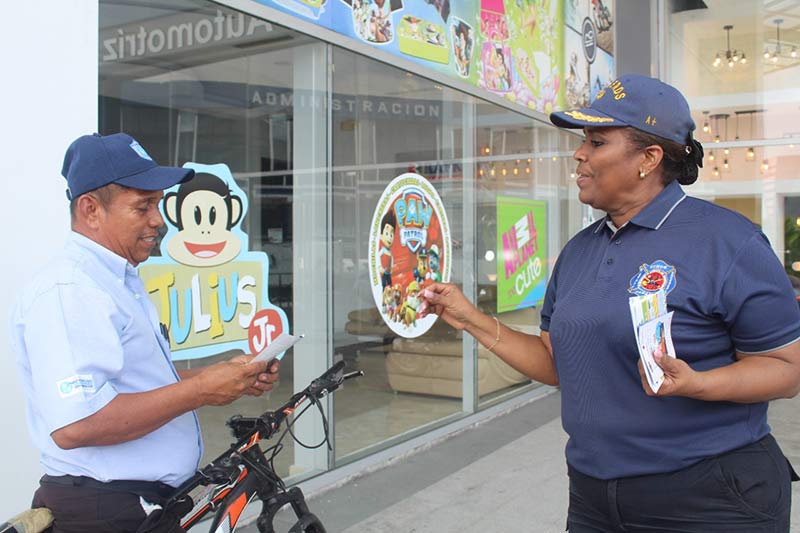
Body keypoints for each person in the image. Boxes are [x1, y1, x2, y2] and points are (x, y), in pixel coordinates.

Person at [418, 74, 800, 532]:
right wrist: (470, 319)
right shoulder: (579, 251)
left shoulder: (728, 241)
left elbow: (786, 369)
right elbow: (558, 364)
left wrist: (698, 383)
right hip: (594, 499)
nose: (579, 154)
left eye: (597, 142)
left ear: (649, 159)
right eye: (583, 141)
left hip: (711, 498)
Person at [10, 133, 280, 533]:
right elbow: (77, 424)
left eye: (157, 204)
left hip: (140, 504)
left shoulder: (117, 280)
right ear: (90, 210)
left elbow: (133, 381)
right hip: (108, 511)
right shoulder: (71, 292)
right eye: (142, 206)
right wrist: (202, 389)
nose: (158, 220)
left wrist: (226, 376)